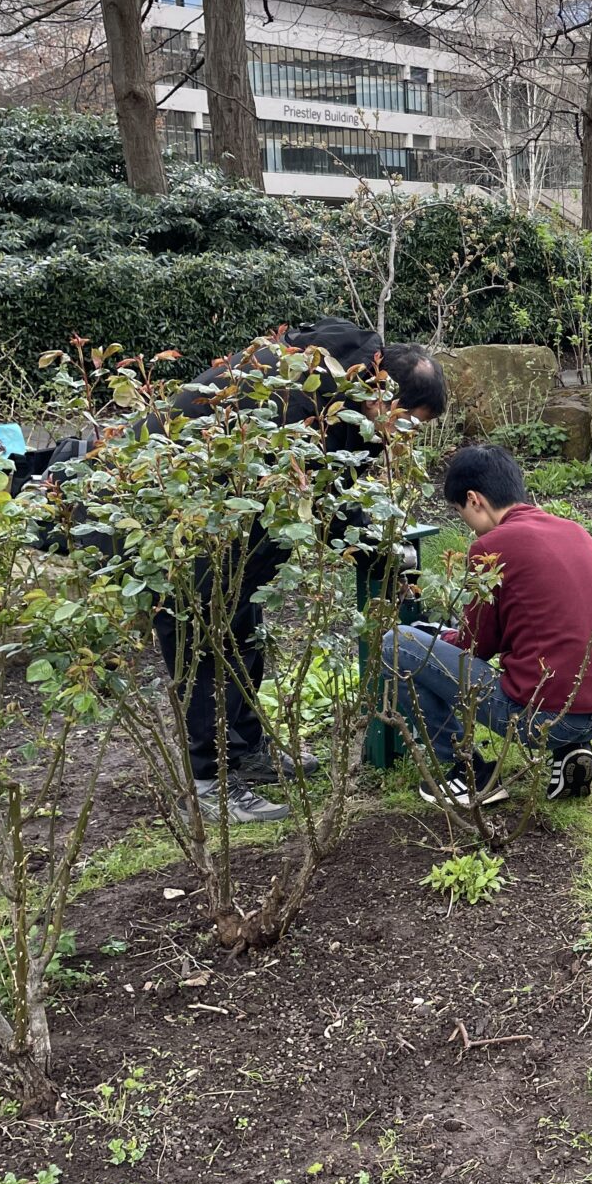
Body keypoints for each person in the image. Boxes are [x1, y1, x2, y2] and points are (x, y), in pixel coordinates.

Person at [154, 317, 446, 824]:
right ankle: (208, 785)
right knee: (202, 637)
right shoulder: (300, 397)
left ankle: (245, 750)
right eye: (407, 422)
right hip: (180, 518)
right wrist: (372, 547)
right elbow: (329, 495)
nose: (405, 437)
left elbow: (344, 481)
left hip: (233, 522)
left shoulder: (344, 394)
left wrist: (378, 544)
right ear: (381, 391)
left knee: (241, 630)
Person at [382, 445, 592, 808]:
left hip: (544, 717)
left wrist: (439, 635)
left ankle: (465, 774)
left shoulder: (493, 546)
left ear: (474, 499)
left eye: (459, 511)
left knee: (396, 642)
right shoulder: (574, 531)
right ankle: (571, 750)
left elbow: (476, 647)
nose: (464, 521)